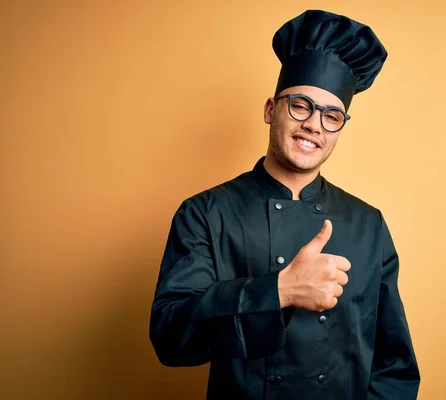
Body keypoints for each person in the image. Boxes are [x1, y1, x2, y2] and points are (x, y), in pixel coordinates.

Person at [149, 9, 420, 400]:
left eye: (332, 116)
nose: (314, 124)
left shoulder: (368, 224)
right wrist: (278, 291)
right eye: (300, 105)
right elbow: (170, 337)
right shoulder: (206, 213)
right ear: (269, 110)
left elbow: (395, 364)